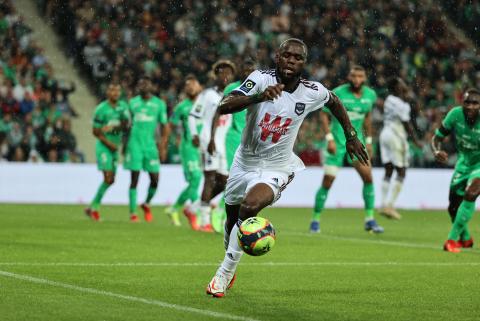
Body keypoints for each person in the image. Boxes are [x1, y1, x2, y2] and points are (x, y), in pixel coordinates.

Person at [205, 38, 368, 297]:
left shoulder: (311, 90)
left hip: (277, 167)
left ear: (304, 62)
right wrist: (259, 96)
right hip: (244, 162)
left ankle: (223, 274)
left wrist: (351, 135)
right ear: (277, 57)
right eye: (287, 55)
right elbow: (224, 105)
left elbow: (335, 101)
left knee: (249, 207)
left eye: (298, 57)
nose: (291, 61)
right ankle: (230, 257)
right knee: (232, 221)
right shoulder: (259, 79)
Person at [309, 65, 383, 233]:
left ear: (364, 78)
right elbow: (324, 114)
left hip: (357, 143)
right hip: (337, 142)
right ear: (349, 77)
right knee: (328, 182)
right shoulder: (339, 93)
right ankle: (315, 219)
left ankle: (370, 220)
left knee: (368, 177)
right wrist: (329, 139)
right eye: (353, 76)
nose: (356, 79)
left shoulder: (370, 95)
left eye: (360, 76)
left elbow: (368, 118)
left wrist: (369, 141)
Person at [209, 59, 257, 233]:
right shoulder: (232, 89)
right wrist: (212, 138)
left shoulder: (260, 88)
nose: (248, 72)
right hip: (234, 139)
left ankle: (224, 209)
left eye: (251, 69)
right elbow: (219, 111)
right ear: (241, 71)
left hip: (253, 141)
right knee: (231, 178)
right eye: (245, 69)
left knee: (246, 183)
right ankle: (220, 209)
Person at [188, 60, 235, 232]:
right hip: (209, 141)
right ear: (216, 75)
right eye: (222, 72)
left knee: (224, 181)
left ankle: (194, 207)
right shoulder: (207, 95)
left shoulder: (233, 95)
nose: (225, 76)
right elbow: (193, 115)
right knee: (209, 179)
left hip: (222, 143)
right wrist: (195, 134)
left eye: (229, 73)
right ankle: (204, 222)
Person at [432, 88, 480, 253]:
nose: (471, 106)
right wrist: (437, 150)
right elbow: (437, 138)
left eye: (475, 103)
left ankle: (451, 240)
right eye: (467, 102)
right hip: (463, 163)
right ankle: (466, 238)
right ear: (462, 103)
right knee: (453, 207)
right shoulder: (455, 115)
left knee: (471, 194)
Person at [124, 76, 168, 222]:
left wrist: (162, 146)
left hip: (150, 146)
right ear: (138, 87)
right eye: (141, 83)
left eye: (146, 83)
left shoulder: (159, 104)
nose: (143, 86)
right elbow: (126, 125)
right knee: (134, 178)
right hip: (135, 145)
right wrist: (124, 145)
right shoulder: (132, 103)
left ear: (151, 86)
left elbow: (164, 126)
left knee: (155, 180)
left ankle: (146, 203)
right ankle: (132, 213)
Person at [85, 82, 129, 221]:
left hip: (115, 147)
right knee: (108, 177)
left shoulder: (123, 107)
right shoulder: (101, 109)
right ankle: (95, 210)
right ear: (107, 93)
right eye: (112, 90)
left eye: (117, 90)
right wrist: (109, 143)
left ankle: (91, 206)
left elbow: (126, 124)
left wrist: (115, 128)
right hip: (104, 146)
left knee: (111, 180)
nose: (115, 93)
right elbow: (95, 131)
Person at [379, 78, 421, 219]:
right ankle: (390, 206)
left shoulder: (389, 100)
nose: (405, 85)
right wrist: (416, 140)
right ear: (397, 87)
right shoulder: (401, 103)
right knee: (402, 171)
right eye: (402, 83)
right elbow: (407, 123)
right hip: (396, 135)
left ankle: (383, 204)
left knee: (389, 169)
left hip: (384, 133)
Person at [164, 75, 203, 227]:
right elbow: (171, 125)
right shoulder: (181, 107)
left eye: (193, 84)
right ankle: (194, 213)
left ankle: (176, 209)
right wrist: (174, 139)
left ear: (200, 88)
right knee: (196, 178)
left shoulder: (205, 104)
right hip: (188, 148)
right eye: (187, 85)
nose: (191, 87)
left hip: (203, 149)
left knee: (194, 182)